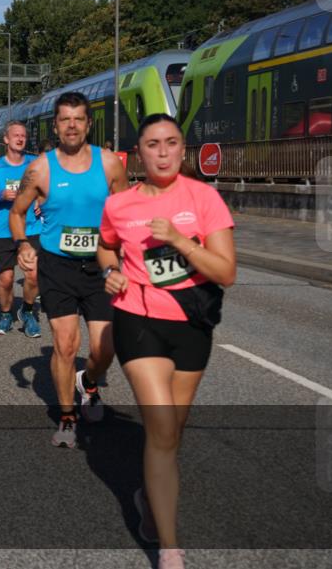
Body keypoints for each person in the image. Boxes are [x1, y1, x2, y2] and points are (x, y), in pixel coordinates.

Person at [97, 113, 236, 569]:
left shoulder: (205, 198)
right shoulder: (120, 205)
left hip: (192, 324)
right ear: (138, 153)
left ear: (183, 149)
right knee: (159, 427)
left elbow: (226, 273)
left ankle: (147, 500)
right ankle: (170, 548)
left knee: (172, 432)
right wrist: (110, 272)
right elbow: (106, 245)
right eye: (152, 144)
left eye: (171, 143)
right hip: (138, 319)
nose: (162, 152)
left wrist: (180, 240)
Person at [11, 92, 127, 448]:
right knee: (64, 343)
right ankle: (66, 417)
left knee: (105, 348)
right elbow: (17, 213)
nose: (72, 125)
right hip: (57, 266)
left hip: (100, 265)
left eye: (78, 119)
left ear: (89, 124)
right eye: (65, 119)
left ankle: (89, 382)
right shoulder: (41, 168)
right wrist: (23, 245)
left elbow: (124, 212)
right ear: (56, 125)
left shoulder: (109, 164)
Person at [0, 121, 41, 338]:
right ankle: (5, 313)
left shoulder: (34, 164)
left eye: (23, 135)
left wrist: (43, 200)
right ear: (6, 139)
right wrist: (0, 195)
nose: (20, 138)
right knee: (6, 279)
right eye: (16, 135)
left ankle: (28, 311)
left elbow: (47, 187)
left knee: (33, 275)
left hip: (30, 228)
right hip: (2, 231)